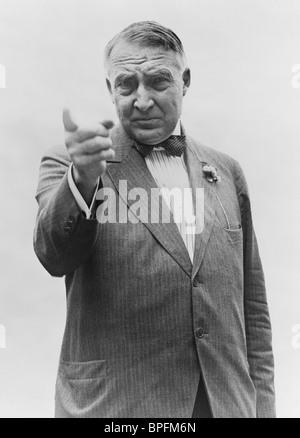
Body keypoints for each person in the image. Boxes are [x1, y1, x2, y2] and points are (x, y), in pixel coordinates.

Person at [33, 21, 276, 418]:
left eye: (158, 81)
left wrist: (263, 408)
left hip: (223, 405)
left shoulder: (227, 171)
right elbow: (53, 257)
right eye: (127, 85)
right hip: (118, 409)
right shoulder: (71, 163)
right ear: (110, 90)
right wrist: (82, 179)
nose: (142, 100)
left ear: (186, 81)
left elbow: (253, 312)